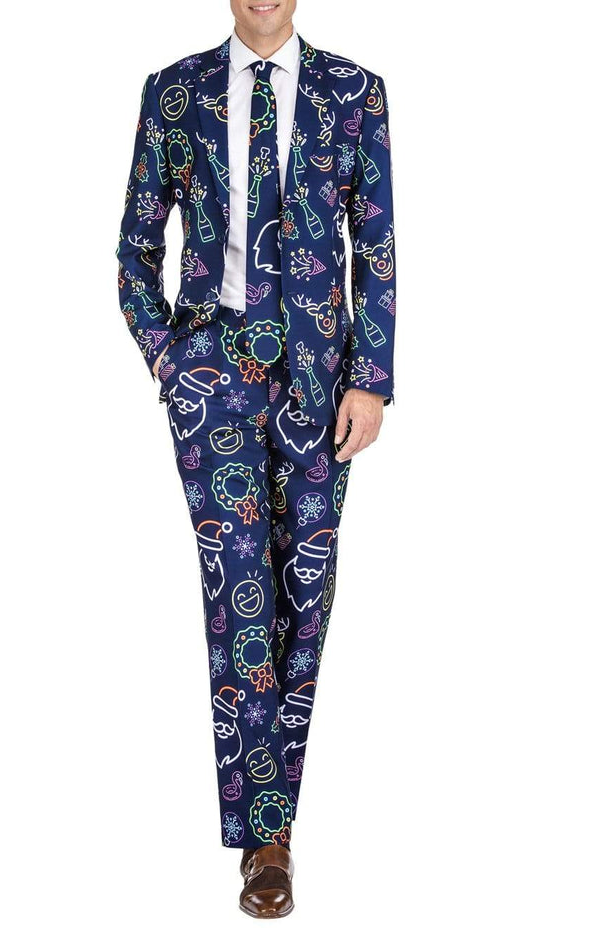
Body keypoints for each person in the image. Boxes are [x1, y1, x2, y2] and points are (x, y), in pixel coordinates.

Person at [115, 0, 395, 917]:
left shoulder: (356, 92)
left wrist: (371, 380)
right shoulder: (174, 92)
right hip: (216, 379)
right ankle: (266, 844)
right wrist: (172, 360)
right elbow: (134, 252)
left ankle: (276, 811)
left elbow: (377, 246)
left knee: (303, 600)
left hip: (322, 383)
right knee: (238, 593)